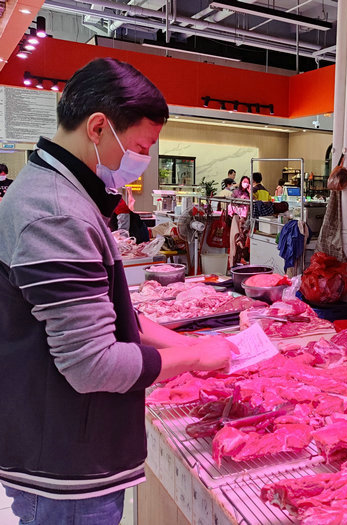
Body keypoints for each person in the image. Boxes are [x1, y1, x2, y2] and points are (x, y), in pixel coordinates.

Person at [0, 57, 234, 524]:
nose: (142, 161)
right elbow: (93, 364)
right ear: (99, 127)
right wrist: (194, 359)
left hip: (66, 441)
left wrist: (187, 342)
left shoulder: (58, 190)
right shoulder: (57, 212)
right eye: (141, 147)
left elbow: (106, 315)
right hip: (66, 464)